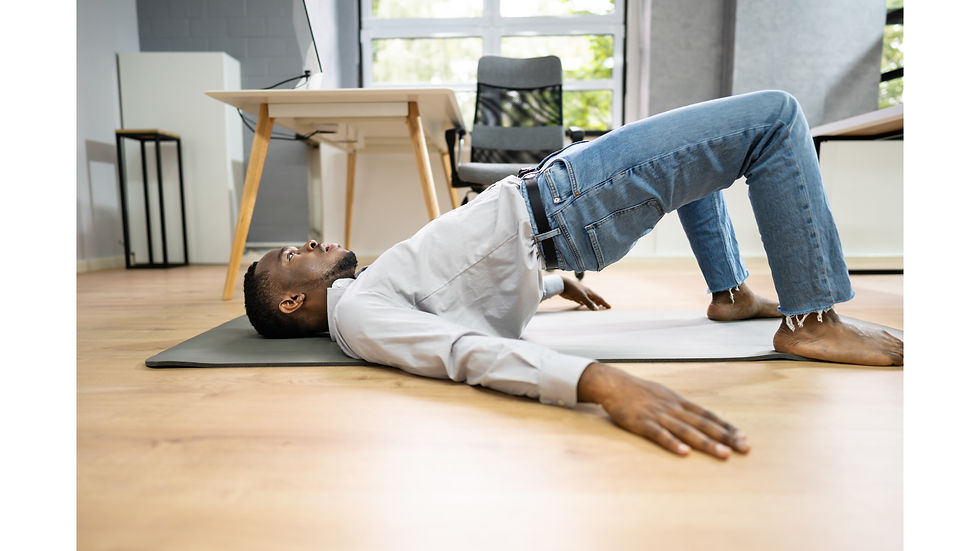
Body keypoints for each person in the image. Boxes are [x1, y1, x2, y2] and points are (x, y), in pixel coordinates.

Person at [243, 90, 903, 460]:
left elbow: (460, 295)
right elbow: (462, 352)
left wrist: (556, 286)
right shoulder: (357, 316)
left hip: (558, 210)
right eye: (290, 255)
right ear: (296, 296)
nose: (305, 242)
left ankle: (731, 294)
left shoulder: (366, 299)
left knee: (707, 149)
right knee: (776, 119)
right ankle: (813, 319)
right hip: (568, 201)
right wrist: (600, 380)